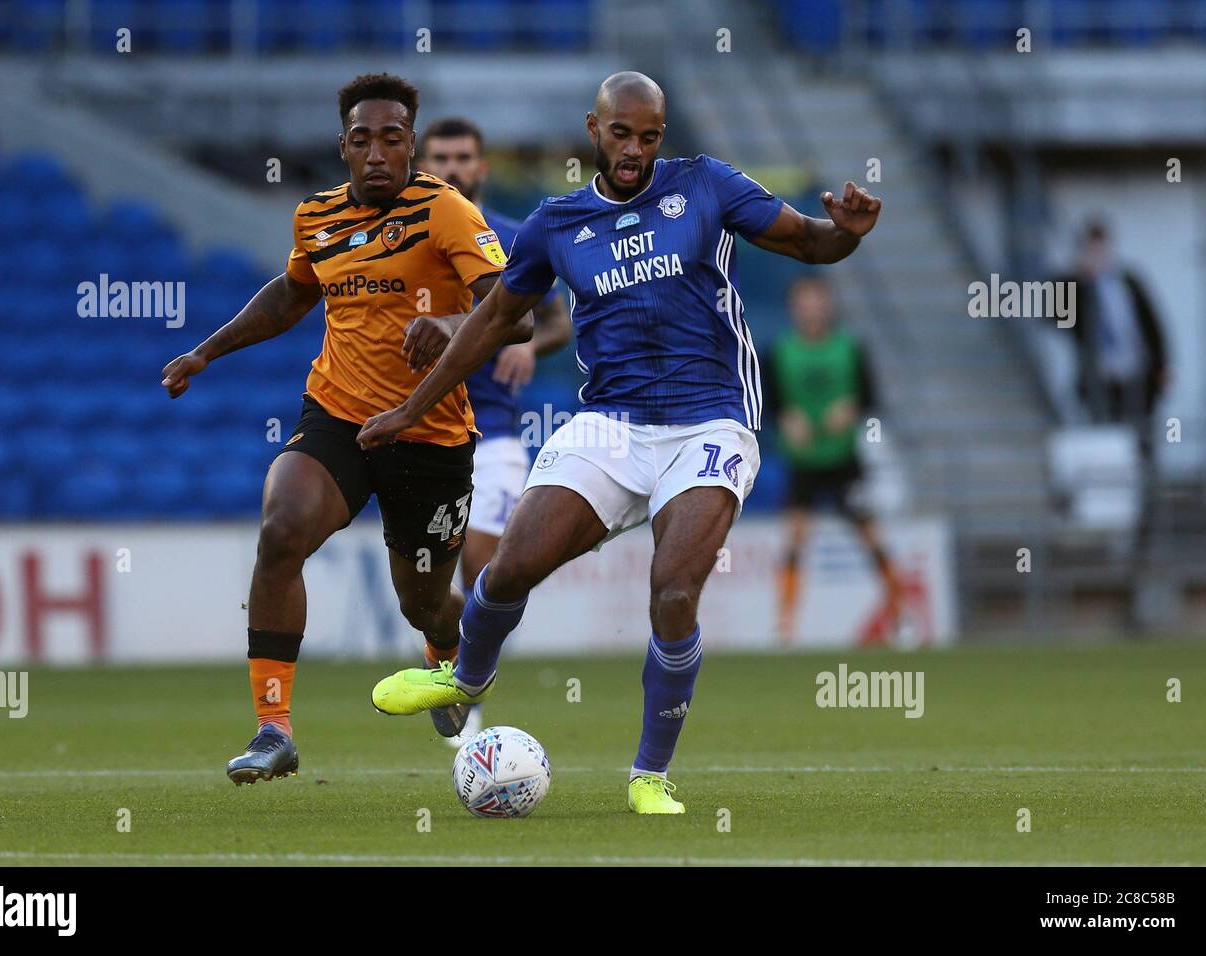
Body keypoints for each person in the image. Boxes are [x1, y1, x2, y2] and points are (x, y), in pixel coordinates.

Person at [359, 71, 880, 814]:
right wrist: (414, 407)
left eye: (649, 135)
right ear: (593, 129)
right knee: (507, 571)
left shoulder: (706, 185)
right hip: (610, 424)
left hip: (711, 420)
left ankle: (648, 776)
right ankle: (466, 679)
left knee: (672, 590)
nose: (635, 149)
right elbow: (491, 321)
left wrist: (847, 234)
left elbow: (810, 242)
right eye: (621, 133)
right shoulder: (555, 223)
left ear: (661, 135)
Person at [159, 73, 532, 785]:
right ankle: (273, 729)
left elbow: (510, 310)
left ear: (411, 145)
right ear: (343, 148)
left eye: (392, 139)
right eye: (362, 140)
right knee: (282, 529)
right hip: (337, 415)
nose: (377, 153)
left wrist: (451, 323)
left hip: (428, 433)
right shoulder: (317, 217)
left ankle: (448, 662)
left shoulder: (445, 212)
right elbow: (292, 294)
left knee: (422, 603)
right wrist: (206, 350)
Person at [418, 117, 573, 745]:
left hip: (496, 434)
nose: (454, 168)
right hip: (426, 432)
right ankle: (450, 666)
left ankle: (468, 695)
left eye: (464, 158)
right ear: (424, 167)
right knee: (430, 580)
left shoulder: (510, 239)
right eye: (441, 158)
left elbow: (557, 320)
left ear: (481, 168)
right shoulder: (407, 244)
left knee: (482, 565)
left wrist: (535, 347)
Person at [763, 277, 899, 643]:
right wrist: (786, 419)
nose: (812, 308)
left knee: (870, 537)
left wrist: (850, 408)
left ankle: (900, 615)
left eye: (818, 301)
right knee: (794, 540)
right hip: (802, 461)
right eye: (805, 302)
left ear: (829, 305)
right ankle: (786, 628)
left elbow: (870, 399)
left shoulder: (851, 349)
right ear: (794, 308)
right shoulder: (779, 352)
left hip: (844, 460)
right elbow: (769, 405)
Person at [1065, 220, 1168, 433]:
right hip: (1102, 373)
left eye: (1101, 250)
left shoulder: (1129, 281)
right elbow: (1056, 314)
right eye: (1092, 251)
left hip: (1134, 366)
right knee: (1105, 429)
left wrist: (1162, 363)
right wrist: (1079, 280)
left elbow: (1152, 323)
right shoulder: (1078, 288)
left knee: (1140, 426)